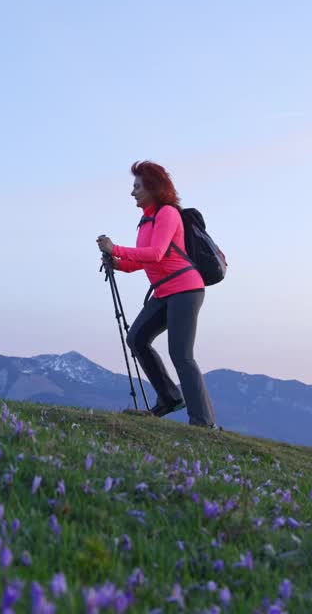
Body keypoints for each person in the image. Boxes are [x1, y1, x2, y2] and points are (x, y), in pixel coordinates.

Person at [96, 161, 216, 428]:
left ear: (153, 187)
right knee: (137, 338)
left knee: (181, 354)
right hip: (164, 292)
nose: (133, 192)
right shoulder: (146, 220)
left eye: (137, 186)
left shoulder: (168, 214)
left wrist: (116, 248)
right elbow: (143, 261)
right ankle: (170, 398)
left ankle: (203, 422)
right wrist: (116, 262)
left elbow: (157, 253)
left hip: (186, 289)